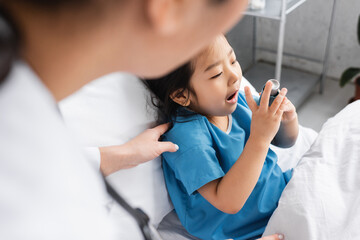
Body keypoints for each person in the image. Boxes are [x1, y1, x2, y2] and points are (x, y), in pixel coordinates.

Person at [0, 0, 283, 239]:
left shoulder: (25, 114)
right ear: (170, 7)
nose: (235, 74)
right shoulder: (27, 203)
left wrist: (121, 155)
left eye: (232, 60)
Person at [144, 35, 299, 239]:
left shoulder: (239, 102)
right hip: (243, 228)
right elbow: (228, 202)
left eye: (233, 60)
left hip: (279, 192)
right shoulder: (186, 139)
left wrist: (287, 119)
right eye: (217, 73)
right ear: (182, 95)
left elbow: (285, 141)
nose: (235, 76)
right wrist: (260, 139)